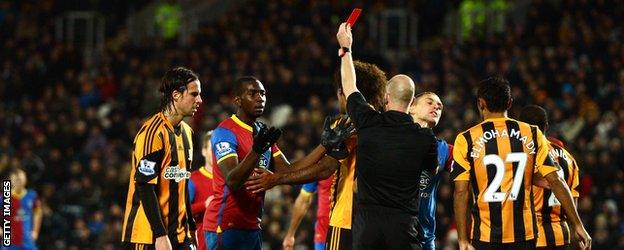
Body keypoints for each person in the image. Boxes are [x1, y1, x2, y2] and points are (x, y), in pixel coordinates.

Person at [245, 60, 388, 250]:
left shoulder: (346, 125)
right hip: (380, 221)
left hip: (346, 220)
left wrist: (276, 179)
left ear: (346, 91)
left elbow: (325, 169)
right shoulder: (385, 124)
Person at [202, 76, 351, 250]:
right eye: (252, 93)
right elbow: (233, 180)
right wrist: (256, 151)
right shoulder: (225, 132)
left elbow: (288, 170)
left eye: (263, 93)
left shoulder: (261, 133)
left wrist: (324, 146)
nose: (260, 98)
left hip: (252, 227)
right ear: (238, 100)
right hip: (225, 225)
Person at [450, 76, 591, 250]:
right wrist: (578, 224)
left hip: (485, 235)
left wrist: (463, 240)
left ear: (481, 103)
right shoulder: (531, 133)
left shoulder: (466, 139)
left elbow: (461, 192)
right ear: (509, 103)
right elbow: (555, 180)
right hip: (524, 235)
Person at [336, 22, 438, 250]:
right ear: (412, 102)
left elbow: (350, 86)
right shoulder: (425, 139)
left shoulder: (368, 121)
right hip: (403, 227)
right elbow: (431, 170)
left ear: (385, 97)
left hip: (367, 227)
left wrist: (346, 48)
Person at [121, 67, 202, 249]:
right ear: (176, 95)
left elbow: (182, 185)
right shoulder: (152, 133)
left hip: (180, 235)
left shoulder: (188, 133)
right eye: (194, 94)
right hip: (149, 236)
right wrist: (160, 235)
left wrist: (192, 228)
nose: (199, 100)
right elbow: (144, 187)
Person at [519, 105, 580, 250]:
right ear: (546, 125)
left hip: (530, 236)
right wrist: (575, 229)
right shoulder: (569, 158)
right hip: (561, 237)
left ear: (520, 126)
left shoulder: (521, 155)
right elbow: (573, 200)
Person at [409, 92, 454, 250]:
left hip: (425, 239)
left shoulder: (444, 149)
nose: (436, 107)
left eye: (440, 107)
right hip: (393, 233)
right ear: (412, 107)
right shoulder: (391, 139)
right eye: (430, 102)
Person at [281, 177, 333, 250]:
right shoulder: (319, 167)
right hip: (323, 233)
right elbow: (303, 200)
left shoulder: (352, 168)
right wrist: (290, 234)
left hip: (347, 229)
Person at [0, 168, 42, 250]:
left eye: (21, 179)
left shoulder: (32, 195)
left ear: (25, 179)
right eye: (16, 180)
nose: (19, 182)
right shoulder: (4, 197)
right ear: (11, 181)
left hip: (27, 239)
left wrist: (35, 231)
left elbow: (38, 213)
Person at [188, 131, 216, 250]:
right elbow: (181, 212)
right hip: (202, 244)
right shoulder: (193, 180)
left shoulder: (231, 180)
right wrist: (204, 205)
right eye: (212, 149)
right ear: (204, 151)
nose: (216, 153)